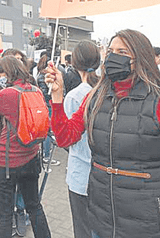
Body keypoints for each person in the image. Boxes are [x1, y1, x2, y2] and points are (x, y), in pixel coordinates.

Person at [46, 29, 160, 238]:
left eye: (122, 52)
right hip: (101, 218)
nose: (113, 57)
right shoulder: (95, 96)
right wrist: (57, 98)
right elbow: (64, 138)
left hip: (147, 223)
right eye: (111, 51)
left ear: (140, 58)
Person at [0, 56, 51, 238]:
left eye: (1, 74)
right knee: (35, 206)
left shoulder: (6, 94)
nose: (0, 79)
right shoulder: (36, 90)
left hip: (6, 162)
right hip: (31, 157)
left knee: (4, 214)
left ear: (8, 73)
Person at [62, 41, 100, 238]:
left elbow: (68, 138)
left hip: (82, 173)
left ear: (74, 64)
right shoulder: (107, 91)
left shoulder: (74, 97)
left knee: (84, 229)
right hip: (107, 175)